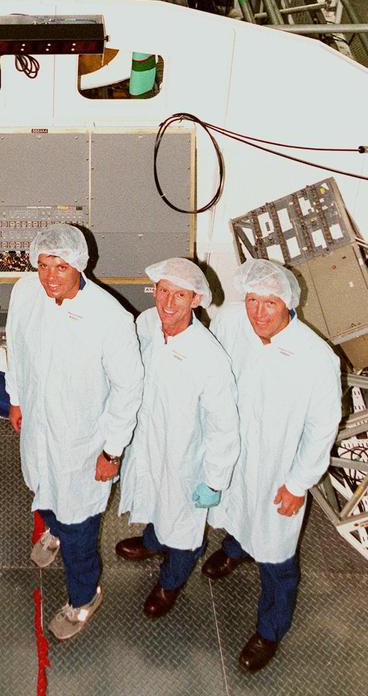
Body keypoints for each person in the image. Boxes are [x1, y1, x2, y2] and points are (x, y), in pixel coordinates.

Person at [6, 223, 143, 641]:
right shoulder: (27, 293)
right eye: (43, 264)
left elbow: (129, 387)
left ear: (79, 265)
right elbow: (15, 345)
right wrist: (16, 397)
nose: (49, 276)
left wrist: (112, 451)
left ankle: (84, 597)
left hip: (84, 443)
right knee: (42, 489)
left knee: (81, 525)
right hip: (40, 428)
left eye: (60, 266)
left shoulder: (109, 317)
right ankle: (54, 531)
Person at [204, 259, 342, 672]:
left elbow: (322, 427)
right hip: (236, 454)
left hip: (279, 469)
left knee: (278, 554)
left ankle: (270, 629)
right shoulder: (232, 323)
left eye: (270, 303)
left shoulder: (316, 357)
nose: (258, 313)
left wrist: (299, 483)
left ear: (289, 304)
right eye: (252, 300)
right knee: (235, 511)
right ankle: (237, 547)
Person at [116, 258, 240, 616]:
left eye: (180, 295)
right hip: (147, 442)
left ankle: (171, 582)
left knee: (184, 525)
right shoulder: (146, 324)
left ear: (196, 300)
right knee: (154, 498)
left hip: (187, 458)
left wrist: (215, 479)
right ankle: (155, 541)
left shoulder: (209, 357)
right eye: (163, 291)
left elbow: (223, 425)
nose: (168, 303)